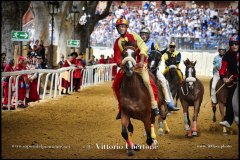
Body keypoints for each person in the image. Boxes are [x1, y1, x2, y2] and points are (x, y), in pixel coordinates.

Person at [112, 18, 159, 120]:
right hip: (126, 66)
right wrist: (121, 65)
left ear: (126, 27)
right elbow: (116, 56)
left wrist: (141, 61)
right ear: (117, 29)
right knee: (115, 85)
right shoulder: (117, 42)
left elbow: (143, 47)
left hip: (139, 65)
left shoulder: (134, 35)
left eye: (123, 26)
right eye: (119, 27)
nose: (121, 28)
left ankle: (154, 104)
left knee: (147, 81)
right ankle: (121, 108)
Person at [140, 27, 179, 111]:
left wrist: (155, 65)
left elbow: (157, 55)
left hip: (152, 67)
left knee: (164, 81)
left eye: (145, 34)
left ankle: (169, 103)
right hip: (140, 67)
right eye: (142, 34)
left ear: (148, 35)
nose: (143, 36)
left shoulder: (153, 43)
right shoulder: (138, 43)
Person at [219, 35, 239, 128]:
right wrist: (224, 78)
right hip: (234, 81)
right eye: (232, 44)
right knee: (230, 99)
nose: (234, 46)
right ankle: (228, 120)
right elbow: (222, 70)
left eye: (236, 43)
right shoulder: (227, 55)